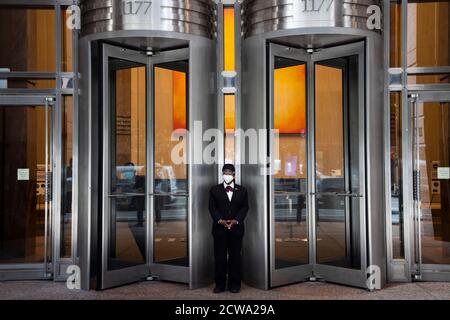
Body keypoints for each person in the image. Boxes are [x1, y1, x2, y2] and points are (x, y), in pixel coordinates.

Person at [208, 164, 249, 293]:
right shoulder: (214, 190)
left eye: (229, 172)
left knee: (235, 257)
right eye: (225, 172)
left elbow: (245, 207)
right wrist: (220, 220)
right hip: (219, 229)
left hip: (236, 229)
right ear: (222, 174)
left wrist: (236, 220)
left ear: (234, 174)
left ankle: (235, 284)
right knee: (219, 257)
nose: (227, 174)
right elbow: (212, 207)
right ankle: (219, 285)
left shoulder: (242, 190)